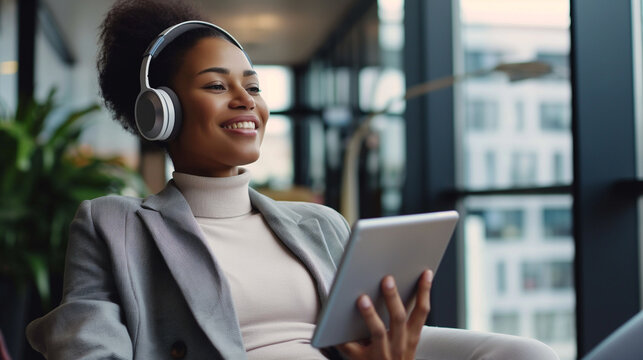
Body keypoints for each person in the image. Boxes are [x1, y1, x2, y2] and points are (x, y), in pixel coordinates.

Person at [26, 1, 559, 359]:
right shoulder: (113, 225)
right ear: (158, 113)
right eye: (217, 85)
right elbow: (87, 345)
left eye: (253, 85)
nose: (245, 100)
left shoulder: (319, 223)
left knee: (527, 354)